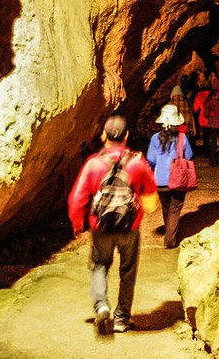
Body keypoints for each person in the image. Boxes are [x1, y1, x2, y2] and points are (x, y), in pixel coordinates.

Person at [68, 115, 158, 335]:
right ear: (127, 136)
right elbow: (150, 190)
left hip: (101, 226)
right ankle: (121, 319)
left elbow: (77, 198)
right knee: (127, 271)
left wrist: (77, 224)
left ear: (103, 136)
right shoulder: (136, 161)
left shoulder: (93, 163)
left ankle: (102, 306)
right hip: (130, 226)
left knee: (100, 266)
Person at [146, 104, 193, 249]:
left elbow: (151, 159)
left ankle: (169, 232)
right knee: (175, 209)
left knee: (167, 208)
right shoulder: (182, 138)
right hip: (178, 180)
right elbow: (190, 155)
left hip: (160, 181)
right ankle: (170, 240)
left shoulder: (155, 138)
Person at [193, 78, 219, 167]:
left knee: (212, 142)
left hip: (213, 124)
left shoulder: (210, 98)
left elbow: (205, 112)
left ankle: (213, 161)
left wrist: (209, 117)